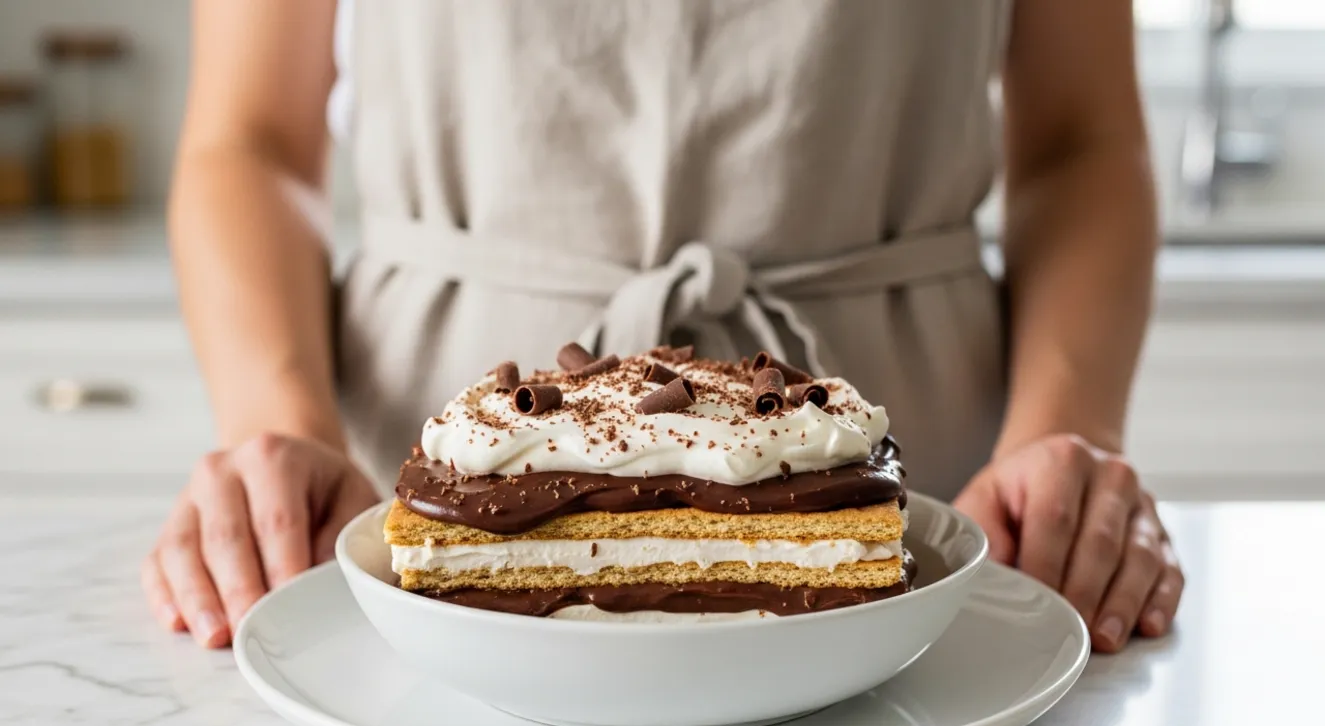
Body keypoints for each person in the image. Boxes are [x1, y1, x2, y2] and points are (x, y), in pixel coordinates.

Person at [143, 0, 1184, 654]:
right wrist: (280, 421)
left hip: (919, 500)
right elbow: (254, 138)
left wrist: (1067, 429)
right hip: (439, 495)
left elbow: (1079, 139)